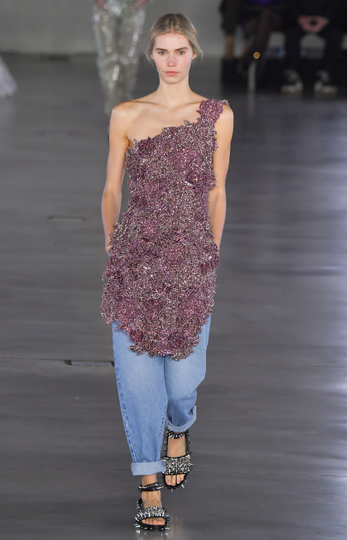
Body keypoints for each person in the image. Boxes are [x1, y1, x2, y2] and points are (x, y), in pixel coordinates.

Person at [100, 13, 233, 531]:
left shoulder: (217, 114)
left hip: (191, 259)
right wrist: (112, 241)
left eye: (180, 51)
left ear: (193, 54)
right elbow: (112, 189)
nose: (172, 61)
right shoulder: (126, 114)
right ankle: (148, 482)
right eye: (163, 51)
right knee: (137, 382)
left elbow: (217, 189)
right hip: (135, 257)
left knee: (181, 383)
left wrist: (211, 252)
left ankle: (180, 426)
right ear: (151, 55)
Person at [91, 0, 149, 115]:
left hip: (133, 6)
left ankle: (124, 105)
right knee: (109, 61)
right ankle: (114, 112)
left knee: (128, 60)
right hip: (106, 6)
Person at [281, 0, 346, 94]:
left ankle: (326, 72)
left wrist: (326, 18)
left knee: (335, 35)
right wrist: (300, 18)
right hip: (298, 18)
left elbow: (337, 5)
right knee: (292, 34)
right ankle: (292, 72)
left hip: (327, 19)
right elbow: (290, 4)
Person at [220, 0, 286, 79]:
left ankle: (249, 59)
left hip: (276, 13)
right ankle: (254, 57)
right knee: (262, 23)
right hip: (253, 13)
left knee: (265, 16)